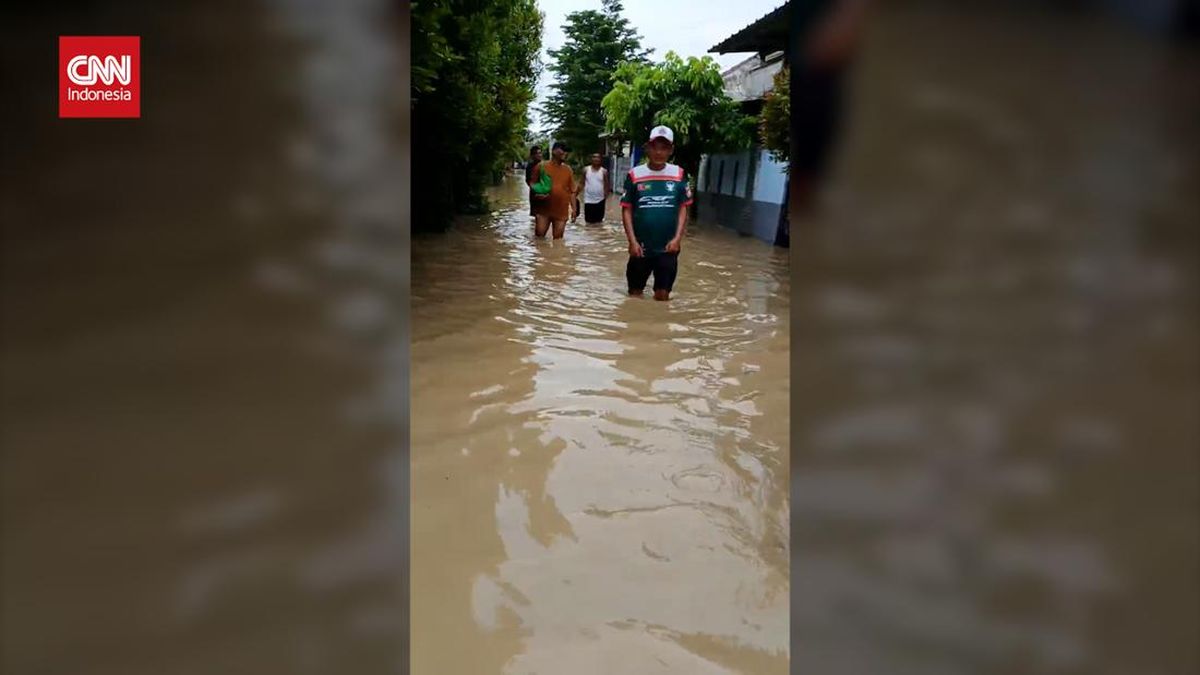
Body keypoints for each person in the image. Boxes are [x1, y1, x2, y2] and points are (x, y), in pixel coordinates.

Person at [621, 126, 691, 301]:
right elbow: (626, 209)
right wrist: (632, 241)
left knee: (662, 296)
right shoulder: (634, 175)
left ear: (671, 150)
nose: (659, 152)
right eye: (655, 147)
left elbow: (683, 207)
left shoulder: (679, 174)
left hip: (668, 248)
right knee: (634, 296)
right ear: (647, 148)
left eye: (664, 148)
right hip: (641, 248)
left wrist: (677, 240)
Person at [528, 141, 577, 239]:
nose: (565, 153)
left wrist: (574, 209)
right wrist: (537, 194)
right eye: (563, 150)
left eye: (567, 151)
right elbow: (532, 184)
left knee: (558, 239)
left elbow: (572, 191)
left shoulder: (568, 170)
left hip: (561, 210)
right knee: (539, 237)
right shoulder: (541, 166)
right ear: (554, 151)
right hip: (543, 209)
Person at [578, 153, 611, 224]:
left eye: (598, 157)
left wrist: (606, 196)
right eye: (594, 157)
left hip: (600, 200)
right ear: (591, 159)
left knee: (599, 221)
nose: (596, 159)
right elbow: (581, 183)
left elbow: (607, 185)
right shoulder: (586, 170)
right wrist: (575, 194)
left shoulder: (604, 171)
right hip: (588, 200)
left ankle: (598, 234)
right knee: (588, 221)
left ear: (600, 160)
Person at [524, 145, 543, 219]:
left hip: (546, 194)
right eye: (537, 153)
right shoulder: (530, 167)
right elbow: (528, 181)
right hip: (535, 194)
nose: (539, 155)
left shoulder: (545, 165)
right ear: (532, 155)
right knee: (537, 216)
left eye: (540, 153)